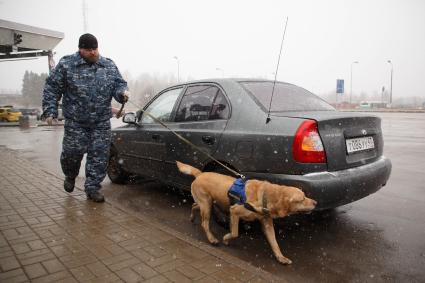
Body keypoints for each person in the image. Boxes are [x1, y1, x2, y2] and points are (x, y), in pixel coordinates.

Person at [42, 33, 129, 202]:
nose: (93, 53)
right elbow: (52, 87)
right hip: (76, 122)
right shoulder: (67, 65)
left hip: (101, 122)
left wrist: (122, 93)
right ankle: (70, 175)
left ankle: (92, 188)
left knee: (99, 157)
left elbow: (119, 84)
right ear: (80, 49)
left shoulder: (108, 66)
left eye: (95, 49)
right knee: (71, 154)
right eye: (89, 49)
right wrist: (50, 110)